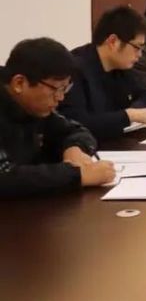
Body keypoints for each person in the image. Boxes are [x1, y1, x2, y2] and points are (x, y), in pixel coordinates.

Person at [1, 38, 116, 197]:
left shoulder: (35, 108)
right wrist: (78, 175)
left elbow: (76, 130)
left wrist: (74, 148)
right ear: (19, 83)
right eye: (56, 89)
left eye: (65, 89)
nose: (60, 98)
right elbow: (4, 176)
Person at [59, 6, 146, 140]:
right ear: (113, 41)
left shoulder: (121, 67)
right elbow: (78, 124)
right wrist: (129, 115)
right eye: (137, 47)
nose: (140, 55)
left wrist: (137, 112)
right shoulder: (74, 69)